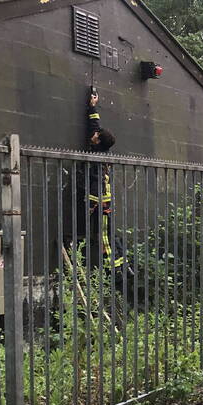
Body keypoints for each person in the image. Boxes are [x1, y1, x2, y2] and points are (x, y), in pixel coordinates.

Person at [82, 89, 124, 270]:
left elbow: (96, 184)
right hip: (99, 198)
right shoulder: (100, 144)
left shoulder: (100, 159)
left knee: (105, 235)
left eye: (96, 137)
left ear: (98, 142)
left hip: (103, 201)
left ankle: (115, 268)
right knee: (106, 234)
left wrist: (91, 205)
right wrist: (93, 106)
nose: (94, 135)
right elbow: (96, 126)